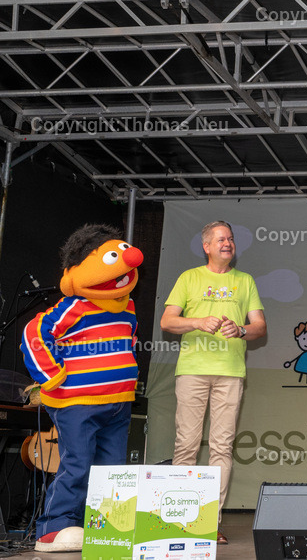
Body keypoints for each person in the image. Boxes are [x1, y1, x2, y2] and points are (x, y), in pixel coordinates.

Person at [22, 224, 144, 552]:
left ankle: (105, 527)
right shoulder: (74, 307)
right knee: (78, 462)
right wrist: (51, 375)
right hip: (78, 401)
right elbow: (34, 334)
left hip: (118, 401)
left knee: (113, 468)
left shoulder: (128, 307)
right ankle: (54, 528)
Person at [160, 220, 266, 545]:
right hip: (193, 370)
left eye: (231, 239)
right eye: (221, 239)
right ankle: (181, 520)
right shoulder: (189, 277)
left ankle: (208, 522)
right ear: (206, 246)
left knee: (222, 447)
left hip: (231, 373)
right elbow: (167, 321)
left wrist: (242, 330)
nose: (228, 243)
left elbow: (260, 326)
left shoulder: (244, 280)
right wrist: (197, 322)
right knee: (187, 445)